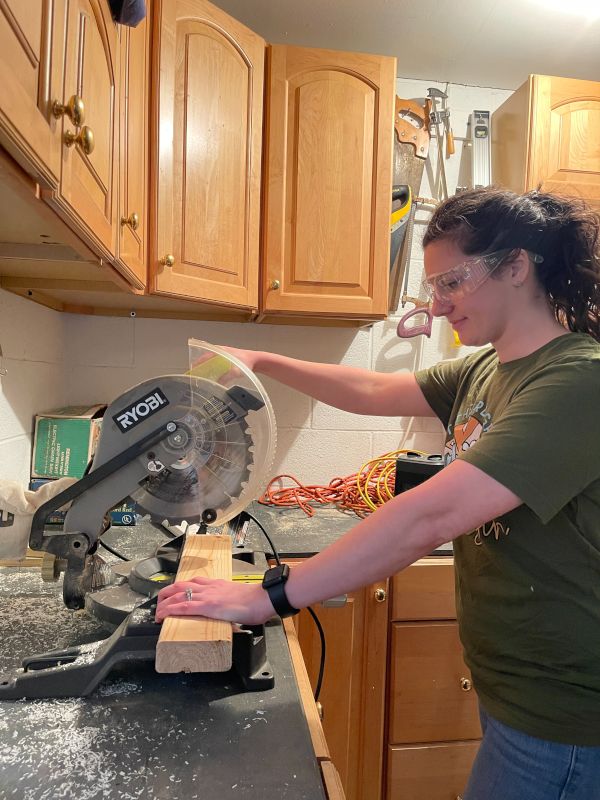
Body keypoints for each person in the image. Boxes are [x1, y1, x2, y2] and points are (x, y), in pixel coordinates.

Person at [156, 187, 600, 799]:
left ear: (517, 266)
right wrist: (262, 359)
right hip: (516, 686)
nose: (439, 306)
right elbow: (369, 390)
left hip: (567, 710)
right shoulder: (486, 370)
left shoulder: (578, 380)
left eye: (452, 282)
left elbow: (430, 515)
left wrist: (266, 598)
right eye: (433, 288)